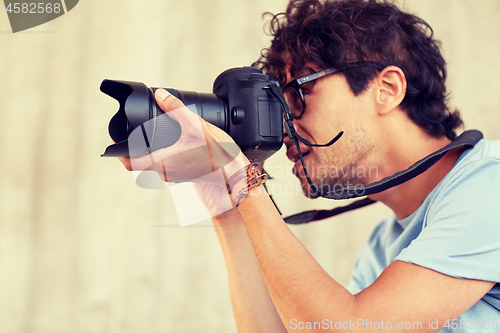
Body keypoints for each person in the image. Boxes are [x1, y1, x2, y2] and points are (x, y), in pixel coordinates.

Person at [118, 0, 500, 331]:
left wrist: (243, 177)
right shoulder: (384, 249)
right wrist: (225, 202)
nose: (283, 126)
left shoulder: (490, 183)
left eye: (298, 93)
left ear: (387, 89)